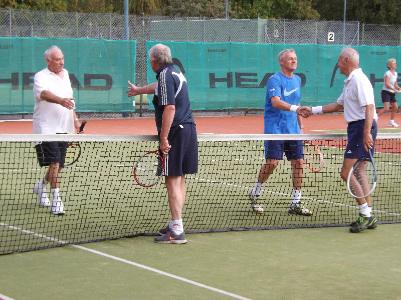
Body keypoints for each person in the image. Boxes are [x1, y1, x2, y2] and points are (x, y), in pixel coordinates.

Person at [301, 47, 378, 233]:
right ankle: (370, 215)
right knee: (359, 171)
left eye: (339, 60)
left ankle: (365, 215)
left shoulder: (359, 80)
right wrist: (313, 110)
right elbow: (338, 105)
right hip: (359, 127)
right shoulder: (350, 81)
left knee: (346, 173)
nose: (337, 64)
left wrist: (366, 132)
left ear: (346, 60)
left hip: (362, 127)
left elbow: (369, 107)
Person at [128, 43, 198, 244]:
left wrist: (164, 138)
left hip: (176, 132)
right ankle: (176, 224)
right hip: (189, 129)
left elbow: (169, 108)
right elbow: (158, 88)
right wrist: (139, 90)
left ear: (153, 61)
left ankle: (177, 229)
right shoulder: (174, 72)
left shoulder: (165, 75)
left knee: (172, 181)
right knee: (180, 179)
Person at [249, 49, 312, 216]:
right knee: (272, 163)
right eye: (290, 59)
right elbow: (275, 102)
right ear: (282, 62)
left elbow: (296, 105)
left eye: (295, 58)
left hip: (294, 131)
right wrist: (296, 108)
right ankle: (255, 192)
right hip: (275, 130)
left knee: (298, 162)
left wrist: (301, 128)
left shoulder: (297, 80)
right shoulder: (274, 79)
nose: (294, 61)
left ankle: (296, 203)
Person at [32, 45, 82, 215]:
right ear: (48, 60)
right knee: (54, 163)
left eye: (62, 58)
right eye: (57, 59)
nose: (61, 62)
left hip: (65, 127)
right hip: (46, 128)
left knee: (58, 165)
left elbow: (70, 99)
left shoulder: (66, 74)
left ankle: (41, 186)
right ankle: (56, 200)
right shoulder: (40, 76)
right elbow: (44, 94)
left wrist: (75, 119)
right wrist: (60, 101)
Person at [378, 58, 401, 127]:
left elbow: (395, 84)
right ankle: (374, 118)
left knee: (395, 107)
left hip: (392, 93)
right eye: (394, 63)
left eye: (395, 63)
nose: (395, 64)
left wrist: (398, 87)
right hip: (386, 92)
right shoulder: (387, 73)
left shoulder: (395, 73)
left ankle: (391, 121)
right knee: (386, 108)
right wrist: (395, 89)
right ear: (389, 65)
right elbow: (387, 84)